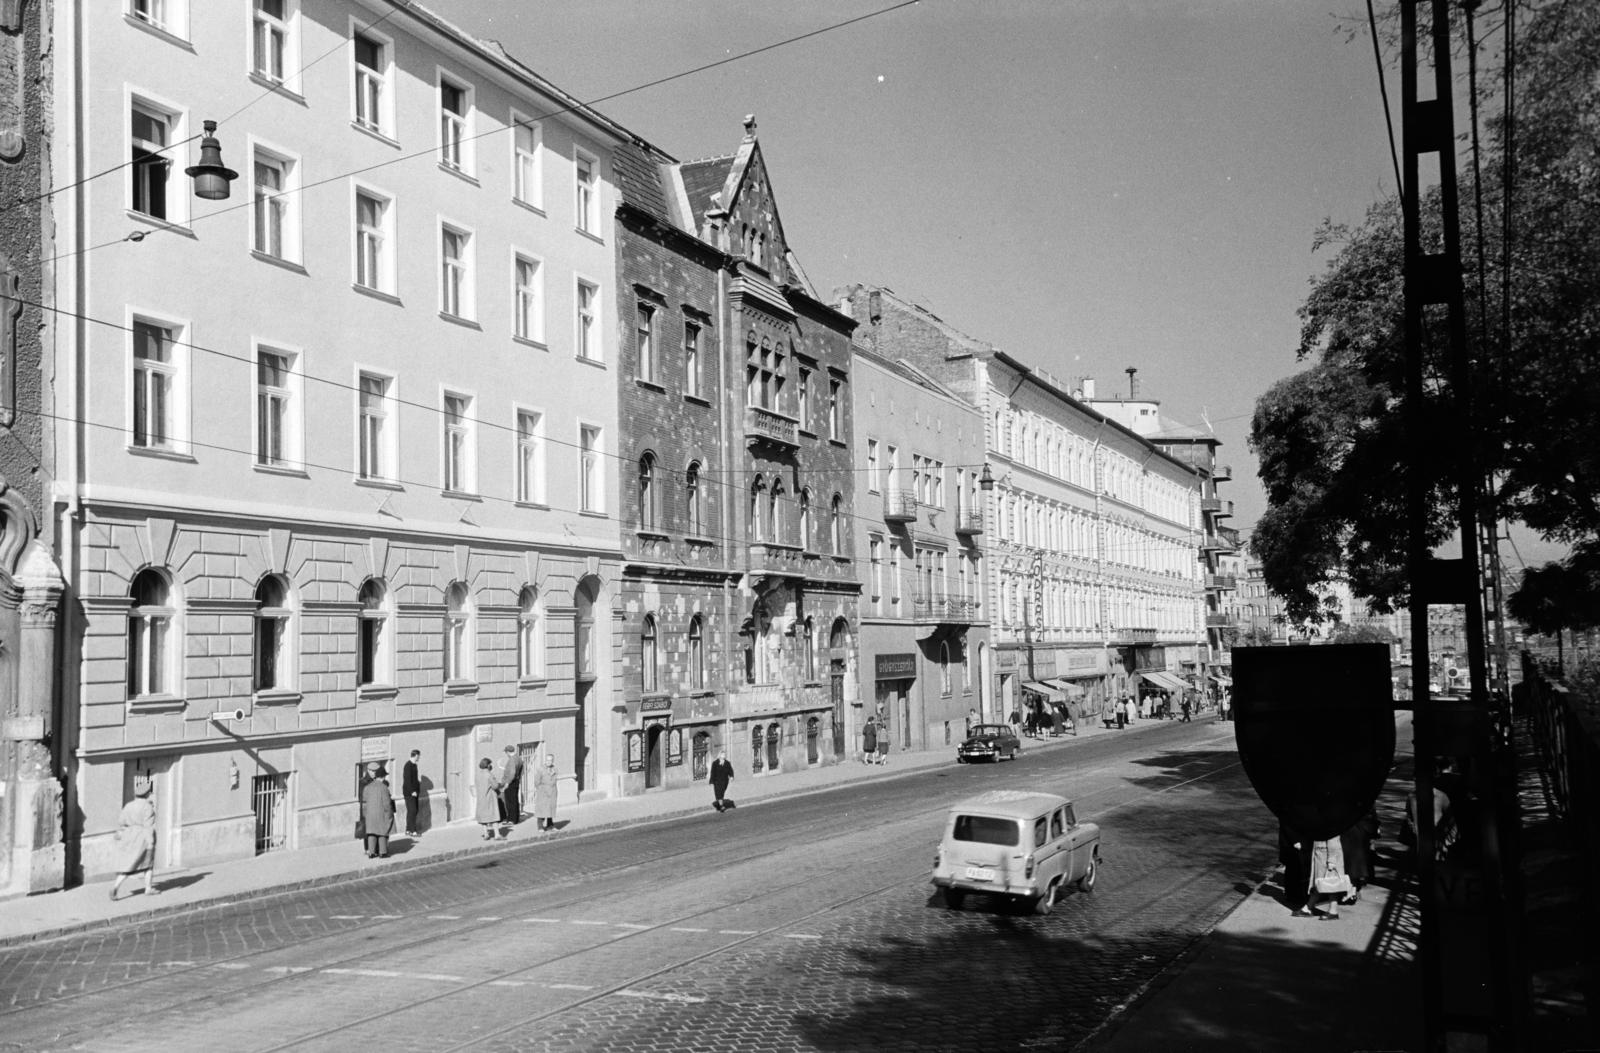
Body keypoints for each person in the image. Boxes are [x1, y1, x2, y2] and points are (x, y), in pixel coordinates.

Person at [109, 776, 158, 901]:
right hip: (143, 838)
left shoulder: (128, 805)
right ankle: (148, 888)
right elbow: (148, 826)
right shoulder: (147, 807)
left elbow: (121, 821)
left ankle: (116, 886)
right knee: (148, 864)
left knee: (128, 865)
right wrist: (151, 842)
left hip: (129, 836)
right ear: (147, 794)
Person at [1297, 836, 1350, 919]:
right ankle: (1309, 907)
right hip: (1321, 854)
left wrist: (1331, 860)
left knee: (1331, 884)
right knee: (1320, 883)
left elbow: (1333, 837)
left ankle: (1333, 910)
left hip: (1327, 856)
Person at [1339, 808, 1379, 904]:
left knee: (1350, 859)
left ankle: (1351, 889)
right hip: (1361, 825)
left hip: (1353, 825)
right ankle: (1353, 889)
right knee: (1355, 859)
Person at [360, 762, 396, 858]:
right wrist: (389, 815)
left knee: (372, 832)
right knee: (382, 832)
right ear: (383, 777)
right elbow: (387, 804)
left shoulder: (367, 787)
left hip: (369, 814)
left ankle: (371, 852)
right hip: (381, 814)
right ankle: (382, 852)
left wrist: (365, 814)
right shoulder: (384, 788)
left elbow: (364, 802)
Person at [498, 744, 524, 833]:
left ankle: (511, 820)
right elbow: (521, 771)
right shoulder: (518, 758)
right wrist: (518, 779)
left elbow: (512, 773)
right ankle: (515, 818)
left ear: (508, 752)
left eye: (506, 752)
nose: (506, 754)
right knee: (514, 800)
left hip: (510, 782)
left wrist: (507, 783)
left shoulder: (512, 760)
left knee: (510, 801)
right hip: (516, 781)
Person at [475, 757, 501, 839]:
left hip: (481, 798)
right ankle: (497, 835)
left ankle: (486, 834)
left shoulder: (478, 775)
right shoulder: (489, 775)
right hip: (490, 797)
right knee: (494, 816)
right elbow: (495, 786)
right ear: (488, 765)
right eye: (490, 764)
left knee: (483, 817)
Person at [532, 754, 559, 831]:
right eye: (547, 760)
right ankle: (540, 826)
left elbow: (555, 779)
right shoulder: (540, 769)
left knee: (551, 808)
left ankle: (550, 825)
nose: (549, 762)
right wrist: (541, 789)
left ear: (553, 761)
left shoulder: (555, 769)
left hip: (552, 791)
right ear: (545, 760)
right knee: (542, 809)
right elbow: (536, 782)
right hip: (543, 792)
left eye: (550, 760)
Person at [402, 749, 422, 837]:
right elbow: (407, 780)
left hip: (415, 792)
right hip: (409, 793)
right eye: (419, 756)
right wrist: (412, 791)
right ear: (416, 755)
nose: (419, 757)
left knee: (413, 811)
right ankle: (413, 831)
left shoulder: (414, 765)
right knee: (412, 811)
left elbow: (414, 779)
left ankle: (408, 830)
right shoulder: (408, 766)